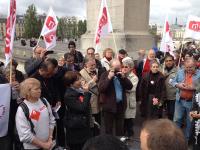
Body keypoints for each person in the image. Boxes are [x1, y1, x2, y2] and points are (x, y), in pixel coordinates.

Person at [16, 78, 56, 150]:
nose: (39, 91)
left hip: (49, 145)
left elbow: (52, 120)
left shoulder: (44, 101)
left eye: (40, 88)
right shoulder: (22, 109)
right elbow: (25, 135)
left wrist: (50, 139)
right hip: (32, 148)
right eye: (36, 89)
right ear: (27, 92)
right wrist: (43, 145)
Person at [98, 59, 133, 136]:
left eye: (119, 67)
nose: (118, 70)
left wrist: (124, 78)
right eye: (116, 68)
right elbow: (101, 89)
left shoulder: (121, 75)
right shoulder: (104, 74)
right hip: (109, 106)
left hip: (120, 105)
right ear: (111, 67)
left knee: (120, 128)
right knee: (108, 129)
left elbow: (130, 86)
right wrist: (109, 78)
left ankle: (119, 144)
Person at [170, 58, 200, 140]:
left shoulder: (199, 74)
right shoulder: (180, 72)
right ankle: (175, 139)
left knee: (190, 122)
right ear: (184, 66)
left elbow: (198, 87)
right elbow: (171, 81)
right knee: (176, 120)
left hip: (192, 103)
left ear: (195, 66)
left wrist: (195, 88)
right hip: (179, 101)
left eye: (191, 67)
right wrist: (177, 85)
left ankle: (187, 140)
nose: (188, 69)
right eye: (187, 67)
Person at [63, 71, 92, 150]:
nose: (80, 81)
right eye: (77, 80)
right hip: (76, 130)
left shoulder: (79, 91)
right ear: (71, 84)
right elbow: (82, 108)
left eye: (80, 78)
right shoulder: (69, 95)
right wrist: (86, 93)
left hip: (83, 127)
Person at [80, 56, 104, 136]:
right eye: (91, 65)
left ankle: (98, 136)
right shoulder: (81, 73)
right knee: (92, 122)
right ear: (86, 64)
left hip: (99, 100)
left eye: (94, 64)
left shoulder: (98, 71)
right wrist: (93, 81)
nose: (94, 67)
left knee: (99, 120)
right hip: (90, 101)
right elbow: (84, 87)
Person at [121, 57, 138, 139]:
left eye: (126, 67)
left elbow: (131, 89)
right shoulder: (121, 75)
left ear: (131, 68)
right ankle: (123, 135)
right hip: (122, 100)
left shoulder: (134, 77)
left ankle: (130, 136)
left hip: (129, 101)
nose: (124, 68)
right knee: (123, 119)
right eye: (123, 66)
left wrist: (124, 80)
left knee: (128, 120)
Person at [163, 55, 177, 120]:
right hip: (164, 96)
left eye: (170, 60)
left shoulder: (178, 71)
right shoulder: (162, 70)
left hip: (173, 97)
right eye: (167, 61)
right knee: (166, 113)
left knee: (172, 113)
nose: (168, 62)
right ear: (165, 62)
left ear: (173, 61)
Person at [190, 80, 200, 150]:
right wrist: (192, 112)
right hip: (197, 122)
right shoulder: (197, 92)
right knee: (196, 142)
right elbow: (194, 105)